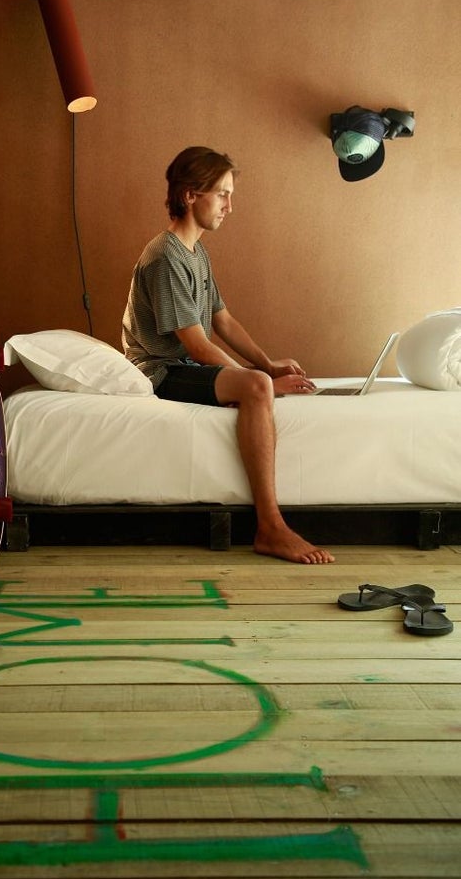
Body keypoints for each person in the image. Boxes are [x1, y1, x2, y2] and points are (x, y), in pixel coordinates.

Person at [122, 146, 334, 565]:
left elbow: (223, 319)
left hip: (183, 365)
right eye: (221, 194)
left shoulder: (195, 252)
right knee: (255, 386)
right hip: (159, 371)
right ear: (189, 195)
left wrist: (268, 363)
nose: (229, 206)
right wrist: (263, 383)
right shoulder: (165, 258)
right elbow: (198, 346)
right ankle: (271, 527)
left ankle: (272, 523)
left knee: (257, 379)